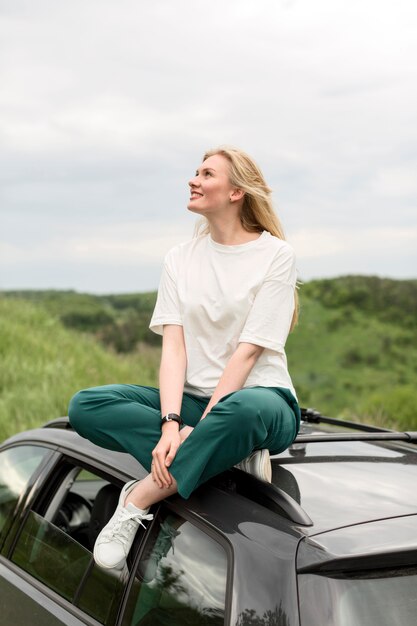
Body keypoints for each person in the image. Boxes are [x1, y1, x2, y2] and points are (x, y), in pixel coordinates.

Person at [68, 146, 301, 571]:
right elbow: (173, 348)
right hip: (194, 401)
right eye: (195, 172)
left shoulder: (275, 256)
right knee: (86, 405)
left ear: (236, 192)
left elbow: (247, 353)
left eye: (206, 174)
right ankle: (222, 457)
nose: (193, 180)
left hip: (262, 403)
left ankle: (140, 498)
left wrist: (202, 427)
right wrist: (171, 424)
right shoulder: (180, 258)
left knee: (244, 409)